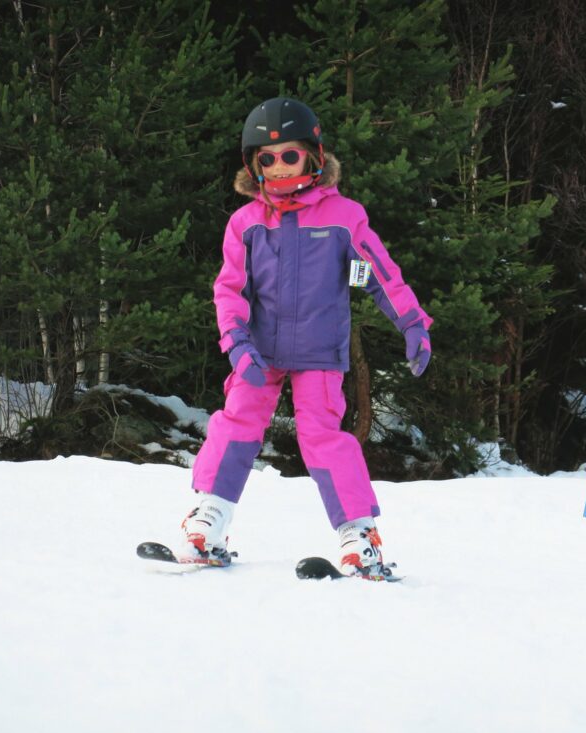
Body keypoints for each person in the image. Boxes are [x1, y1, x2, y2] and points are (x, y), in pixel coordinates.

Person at [180, 96, 433, 578]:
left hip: (319, 354)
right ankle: (208, 518)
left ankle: (360, 536)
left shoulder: (343, 216)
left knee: (324, 438)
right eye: (267, 159)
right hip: (259, 352)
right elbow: (228, 288)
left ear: (314, 157)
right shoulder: (246, 223)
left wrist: (412, 322)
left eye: (289, 155)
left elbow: (380, 273)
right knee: (236, 422)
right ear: (253, 167)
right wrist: (236, 344)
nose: (278, 167)